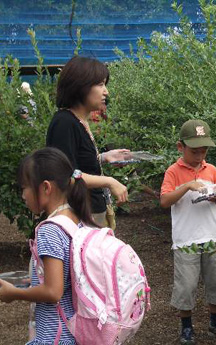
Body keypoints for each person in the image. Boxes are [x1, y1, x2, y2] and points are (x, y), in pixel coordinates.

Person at [0, 147, 97, 344]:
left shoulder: (49, 230)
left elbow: (53, 292)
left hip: (54, 335)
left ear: (46, 187)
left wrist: (14, 293)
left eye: (24, 187)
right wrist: (33, 281)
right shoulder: (75, 219)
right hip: (75, 330)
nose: (23, 195)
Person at [160, 119, 216, 344]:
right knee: (186, 285)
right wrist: (186, 187)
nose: (200, 156)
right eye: (194, 151)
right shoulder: (173, 171)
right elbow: (164, 201)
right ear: (180, 147)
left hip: (211, 236)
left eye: (203, 151)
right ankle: (186, 327)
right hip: (186, 240)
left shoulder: (211, 170)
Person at [46, 56, 128, 228]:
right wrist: (109, 181)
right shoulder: (64, 123)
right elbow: (66, 175)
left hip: (92, 211)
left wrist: (104, 157)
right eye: (100, 84)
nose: (106, 92)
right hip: (79, 215)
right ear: (80, 86)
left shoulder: (79, 122)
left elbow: (77, 165)